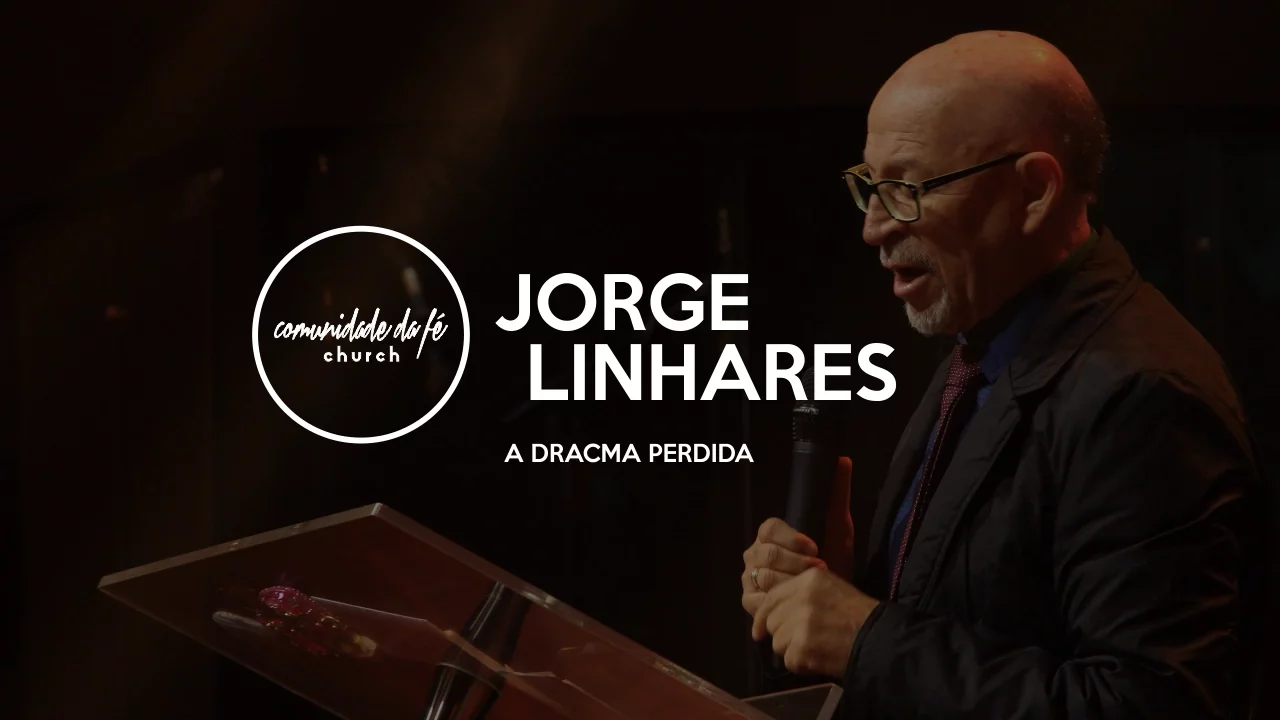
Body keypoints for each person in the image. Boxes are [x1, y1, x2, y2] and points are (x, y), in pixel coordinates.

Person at [740, 30, 1267, 718]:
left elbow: (1143, 705)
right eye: (869, 186)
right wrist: (839, 594)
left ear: (1034, 191)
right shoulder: (984, 340)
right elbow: (976, 618)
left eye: (905, 188)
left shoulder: (1144, 396)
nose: (873, 227)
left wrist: (865, 637)